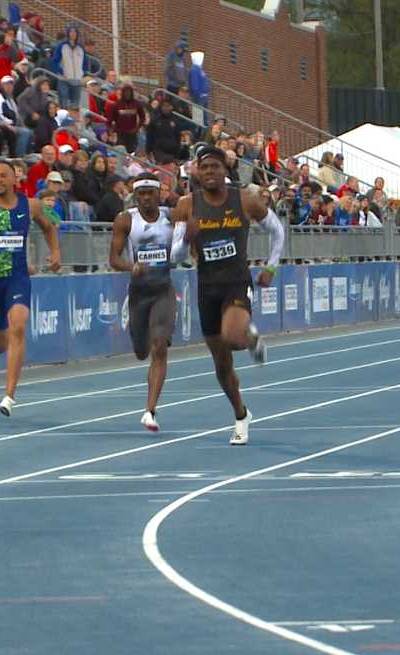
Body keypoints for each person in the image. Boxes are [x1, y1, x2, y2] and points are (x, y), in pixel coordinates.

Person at [173, 146, 281, 445]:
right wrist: (186, 239)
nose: (209, 172)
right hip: (207, 286)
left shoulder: (245, 199)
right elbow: (174, 255)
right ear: (197, 170)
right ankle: (241, 415)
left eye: (215, 167)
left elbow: (278, 231)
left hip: (236, 281)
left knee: (233, 338)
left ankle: (247, 334)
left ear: (225, 171)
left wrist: (271, 268)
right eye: (204, 167)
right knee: (222, 365)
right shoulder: (186, 205)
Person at [0, 160, 62, 416]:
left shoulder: (30, 205)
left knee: (18, 324)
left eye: (3, 176)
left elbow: (49, 228)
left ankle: (9, 395)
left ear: (14, 179)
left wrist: (56, 252)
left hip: (17, 276)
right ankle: (7, 356)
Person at [108, 173, 188, 431]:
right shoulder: (125, 220)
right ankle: (141, 343)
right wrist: (131, 267)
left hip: (163, 290)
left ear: (158, 194)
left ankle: (150, 410)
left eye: (149, 193)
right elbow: (113, 258)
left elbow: (190, 230)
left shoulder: (171, 216)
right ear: (135, 196)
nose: (144, 198)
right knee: (142, 351)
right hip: (139, 292)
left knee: (159, 347)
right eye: (140, 194)